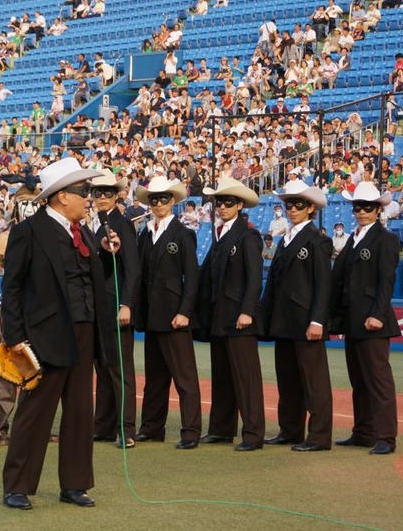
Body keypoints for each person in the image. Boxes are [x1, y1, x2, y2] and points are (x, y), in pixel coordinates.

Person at [0, 158, 119, 510]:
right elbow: (13, 287)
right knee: (36, 412)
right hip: (44, 336)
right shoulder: (29, 231)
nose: (90, 198)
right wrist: (16, 336)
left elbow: (94, 283)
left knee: (81, 411)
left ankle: (75, 484)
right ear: (61, 196)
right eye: (84, 191)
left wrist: (107, 253)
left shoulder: (86, 233)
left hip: (84, 331)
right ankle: (17, 486)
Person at [261, 180, 333, 452]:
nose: (292, 209)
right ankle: (290, 430)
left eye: (298, 205)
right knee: (288, 379)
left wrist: (317, 320)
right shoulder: (284, 239)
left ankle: (318, 436)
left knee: (314, 382)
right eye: (289, 205)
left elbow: (322, 284)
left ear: (311, 208)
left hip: (306, 321)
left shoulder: (318, 240)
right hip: (284, 320)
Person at [330, 182, 401, 455]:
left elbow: (387, 281)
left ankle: (386, 437)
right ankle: (363, 432)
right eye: (357, 207)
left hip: (372, 320)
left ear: (378, 209)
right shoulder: (353, 238)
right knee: (358, 380)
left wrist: (378, 314)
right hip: (352, 319)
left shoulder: (386, 239)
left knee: (379, 381)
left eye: (367, 207)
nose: (361, 212)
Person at [196, 177, 265, 451]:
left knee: (246, 378)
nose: (221, 207)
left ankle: (253, 433)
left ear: (239, 204)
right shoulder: (219, 234)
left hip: (239, 317)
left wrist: (248, 310)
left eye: (227, 202)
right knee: (222, 375)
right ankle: (221, 429)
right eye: (218, 202)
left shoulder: (248, 235)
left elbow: (254, 277)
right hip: (218, 315)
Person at [133, 176, 201, 449]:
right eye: (154, 199)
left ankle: (191, 432)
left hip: (174, 316)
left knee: (184, 378)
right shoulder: (145, 234)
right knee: (155, 378)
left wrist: (185, 311)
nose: (158, 203)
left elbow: (192, 278)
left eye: (163, 198)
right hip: (151, 316)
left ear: (172, 201)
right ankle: (151, 428)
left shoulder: (184, 235)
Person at [0, 170, 42, 446]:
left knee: (40, 370)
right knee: (7, 370)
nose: (29, 208)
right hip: (12, 312)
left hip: (42, 312)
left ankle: (34, 427)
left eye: (34, 203)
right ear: (17, 206)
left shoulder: (47, 235)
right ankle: (0, 428)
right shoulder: (6, 238)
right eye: (25, 203)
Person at [91, 170, 141, 449]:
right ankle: (103, 427)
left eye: (107, 193)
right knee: (105, 369)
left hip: (117, 307)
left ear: (117, 195)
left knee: (121, 371)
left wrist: (126, 304)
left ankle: (127, 430)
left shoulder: (123, 225)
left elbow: (132, 269)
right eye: (97, 193)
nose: (101, 198)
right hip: (101, 309)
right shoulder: (99, 225)